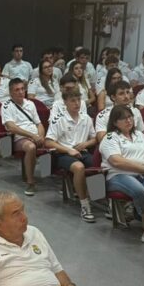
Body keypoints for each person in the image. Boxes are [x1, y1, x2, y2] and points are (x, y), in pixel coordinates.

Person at [101, 105, 144, 246]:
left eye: (130, 117)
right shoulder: (110, 137)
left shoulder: (140, 135)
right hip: (118, 175)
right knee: (140, 190)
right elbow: (116, 161)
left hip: (142, 173)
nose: (128, 120)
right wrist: (142, 168)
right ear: (115, 122)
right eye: (123, 118)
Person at [44, 89, 98, 222]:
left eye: (78, 100)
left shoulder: (86, 118)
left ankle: (99, 198)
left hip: (83, 152)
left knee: (99, 166)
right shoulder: (58, 119)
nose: (77, 103)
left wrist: (85, 144)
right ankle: (84, 205)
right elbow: (48, 142)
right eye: (73, 101)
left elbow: (95, 138)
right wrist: (68, 150)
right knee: (79, 167)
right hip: (63, 154)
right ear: (65, 102)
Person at [1, 78, 45, 197]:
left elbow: (39, 124)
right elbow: (12, 127)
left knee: (56, 143)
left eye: (22, 89)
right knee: (31, 147)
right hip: (19, 138)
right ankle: (30, 182)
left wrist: (40, 136)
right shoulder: (6, 106)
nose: (21, 92)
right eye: (17, 90)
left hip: (35, 136)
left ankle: (63, 181)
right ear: (11, 92)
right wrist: (33, 136)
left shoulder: (30, 104)